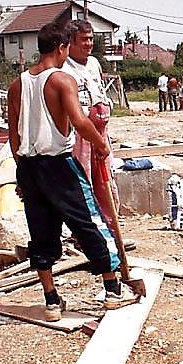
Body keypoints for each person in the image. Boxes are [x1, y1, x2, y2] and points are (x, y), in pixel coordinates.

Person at [7, 22, 139, 322]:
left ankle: (51, 301)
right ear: (61, 48)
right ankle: (112, 289)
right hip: (58, 164)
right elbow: (79, 121)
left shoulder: (18, 84)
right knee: (89, 222)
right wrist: (100, 146)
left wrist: (21, 171)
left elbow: (12, 133)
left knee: (41, 231)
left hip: (29, 166)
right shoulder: (62, 80)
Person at [61, 20, 120, 226]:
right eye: (84, 40)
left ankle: (110, 227)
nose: (89, 44)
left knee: (106, 181)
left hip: (101, 133)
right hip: (80, 135)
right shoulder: (64, 68)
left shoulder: (94, 63)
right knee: (84, 181)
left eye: (91, 39)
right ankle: (88, 229)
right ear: (71, 42)